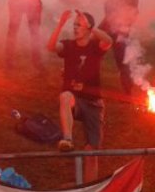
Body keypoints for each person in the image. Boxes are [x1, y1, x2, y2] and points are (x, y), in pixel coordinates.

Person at [48, 10, 112, 182]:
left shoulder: (95, 47)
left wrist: (91, 27)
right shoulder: (69, 46)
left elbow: (108, 41)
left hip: (94, 104)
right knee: (65, 96)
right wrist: (61, 23)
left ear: (89, 28)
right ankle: (67, 139)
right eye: (74, 25)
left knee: (92, 152)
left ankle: (89, 188)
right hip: (75, 100)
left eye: (79, 25)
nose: (75, 28)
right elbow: (51, 47)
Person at [99, 0, 140, 96]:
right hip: (109, 19)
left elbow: (133, 2)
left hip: (121, 21)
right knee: (93, 43)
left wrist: (126, 23)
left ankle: (128, 90)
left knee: (121, 55)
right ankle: (85, 78)